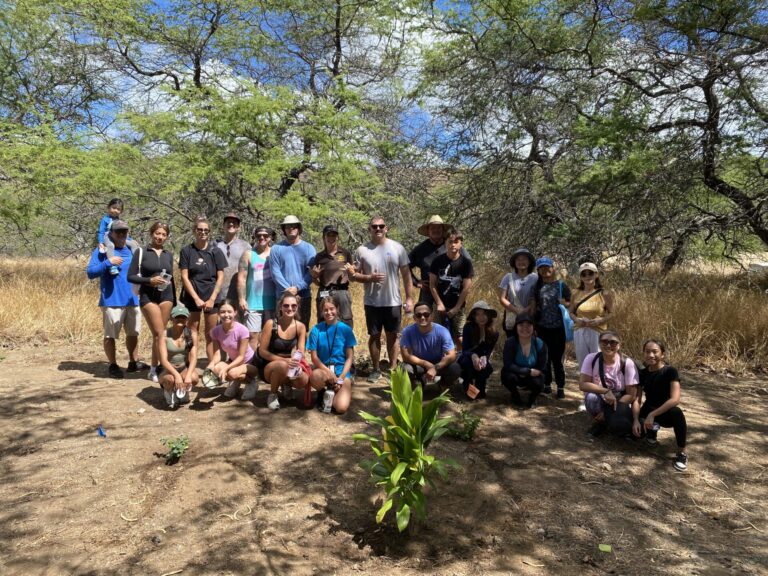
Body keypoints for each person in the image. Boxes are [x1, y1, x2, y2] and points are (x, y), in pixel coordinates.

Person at [353, 216, 414, 382]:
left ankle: (393, 368)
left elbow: (406, 275)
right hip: (372, 302)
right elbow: (353, 276)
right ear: (370, 229)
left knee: (393, 335)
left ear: (386, 228)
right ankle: (376, 369)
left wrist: (409, 298)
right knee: (374, 335)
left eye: (381, 226)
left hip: (393, 301)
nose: (378, 229)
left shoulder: (397, 248)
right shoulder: (362, 250)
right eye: (374, 226)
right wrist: (368, 278)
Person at [86, 219, 148, 378]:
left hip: (133, 299)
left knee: (133, 333)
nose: (121, 235)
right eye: (118, 232)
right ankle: (113, 365)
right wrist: (108, 262)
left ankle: (133, 362)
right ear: (111, 233)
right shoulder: (103, 250)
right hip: (112, 300)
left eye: (124, 232)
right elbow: (91, 272)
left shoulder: (133, 250)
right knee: (110, 335)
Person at [127, 221, 175, 383]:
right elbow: (131, 276)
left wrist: (175, 301)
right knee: (158, 333)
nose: (160, 237)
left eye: (163, 234)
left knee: (162, 334)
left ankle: (161, 365)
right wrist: (149, 280)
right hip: (148, 296)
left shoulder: (169, 254)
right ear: (151, 233)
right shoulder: (141, 252)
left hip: (166, 296)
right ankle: (154, 369)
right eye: (157, 233)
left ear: (167, 237)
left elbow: (172, 279)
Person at [633, 339, 689, 472]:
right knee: (634, 434)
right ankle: (652, 432)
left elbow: (675, 399)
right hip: (648, 410)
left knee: (677, 413)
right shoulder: (643, 373)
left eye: (655, 351)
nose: (651, 355)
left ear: (662, 354)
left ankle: (682, 453)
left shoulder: (670, 371)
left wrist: (653, 415)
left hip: (665, 412)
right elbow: (637, 399)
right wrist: (635, 420)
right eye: (647, 352)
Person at [179, 216, 228, 363]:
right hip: (192, 296)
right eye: (200, 229)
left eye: (206, 230)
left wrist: (212, 298)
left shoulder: (215, 251)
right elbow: (184, 276)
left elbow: (220, 276)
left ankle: (212, 367)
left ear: (209, 232)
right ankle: (190, 363)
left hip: (211, 296)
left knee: (211, 334)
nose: (203, 232)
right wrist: (195, 298)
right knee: (192, 332)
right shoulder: (187, 251)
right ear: (195, 231)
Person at [570, 262, 613, 411]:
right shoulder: (576, 292)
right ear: (580, 277)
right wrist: (577, 320)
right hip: (580, 331)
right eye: (584, 274)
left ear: (596, 274)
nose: (587, 276)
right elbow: (571, 312)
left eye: (590, 273)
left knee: (598, 363)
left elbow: (611, 313)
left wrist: (600, 320)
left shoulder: (604, 293)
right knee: (584, 364)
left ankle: (600, 396)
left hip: (597, 332)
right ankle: (587, 398)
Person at [579, 330, 639, 438]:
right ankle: (600, 423)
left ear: (619, 345)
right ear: (599, 343)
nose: (608, 345)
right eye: (604, 342)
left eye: (613, 342)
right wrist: (605, 391)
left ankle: (606, 418)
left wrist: (608, 412)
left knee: (621, 429)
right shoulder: (592, 358)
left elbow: (631, 395)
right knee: (591, 398)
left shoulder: (627, 363)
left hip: (620, 400)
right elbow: (583, 384)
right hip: (600, 396)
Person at [258, 293, 310, 410]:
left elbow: (301, 350)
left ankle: (286, 384)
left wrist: (297, 363)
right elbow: (262, 352)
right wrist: (285, 360)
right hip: (269, 366)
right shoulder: (271, 324)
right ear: (280, 307)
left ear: (297, 307)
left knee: (304, 379)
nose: (290, 308)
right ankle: (273, 394)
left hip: (289, 363)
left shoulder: (300, 326)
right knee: (281, 365)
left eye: (293, 306)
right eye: (286, 305)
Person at [307, 295, 357, 414]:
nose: (329, 312)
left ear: (337, 309)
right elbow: (314, 357)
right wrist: (329, 373)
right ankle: (323, 391)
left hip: (341, 373)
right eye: (325, 310)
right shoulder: (316, 330)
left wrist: (340, 379)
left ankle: (334, 393)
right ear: (321, 312)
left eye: (332, 309)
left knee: (340, 408)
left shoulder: (346, 329)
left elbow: (350, 357)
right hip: (324, 371)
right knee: (314, 376)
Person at [408, 214, 471, 305]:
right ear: (428, 231)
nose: (436, 230)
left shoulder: (452, 245)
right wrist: (416, 282)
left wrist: (463, 285)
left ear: (443, 230)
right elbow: (405, 265)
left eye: (438, 228)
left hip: (451, 292)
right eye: (432, 228)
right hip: (428, 293)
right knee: (426, 317)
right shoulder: (420, 249)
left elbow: (468, 263)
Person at [532, 256, 571, 399]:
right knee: (545, 358)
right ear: (538, 270)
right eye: (541, 268)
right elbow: (535, 307)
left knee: (557, 359)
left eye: (547, 267)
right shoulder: (537, 287)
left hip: (559, 328)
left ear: (553, 268)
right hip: (543, 327)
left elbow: (571, 305)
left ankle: (560, 387)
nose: (545, 270)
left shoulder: (561, 285)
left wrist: (565, 303)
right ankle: (547, 385)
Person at [399, 302, 461, 390]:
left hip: (439, 363)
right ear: (414, 318)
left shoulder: (442, 331)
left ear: (432, 316)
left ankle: (443, 384)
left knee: (455, 368)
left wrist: (436, 367)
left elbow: (452, 355)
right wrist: (426, 364)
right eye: (419, 315)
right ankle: (419, 382)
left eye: (426, 314)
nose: (423, 317)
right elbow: (406, 356)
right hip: (418, 363)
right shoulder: (407, 331)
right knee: (404, 369)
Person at [206, 300, 259, 400]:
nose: (226, 315)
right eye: (222, 312)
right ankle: (236, 382)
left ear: (235, 312)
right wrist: (210, 367)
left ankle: (252, 382)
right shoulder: (215, 331)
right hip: (234, 363)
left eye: (229, 311)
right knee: (216, 368)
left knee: (231, 373)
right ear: (218, 313)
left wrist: (226, 369)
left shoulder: (242, 330)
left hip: (249, 364)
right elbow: (217, 355)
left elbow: (241, 357)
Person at [429, 229, 474, 345]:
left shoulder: (466, 263)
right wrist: (439, 303)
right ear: (445, 243)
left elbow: (466, 288)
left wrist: (457, 307)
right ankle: (441, 358)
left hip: (458, 305)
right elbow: (432, 284)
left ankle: (459, 360)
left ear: (461, 243)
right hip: (440, 305)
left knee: (459, 335)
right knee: (438, 333)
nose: (452, 244)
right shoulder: (437, 261)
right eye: (450, 241)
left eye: (456, 241)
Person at [269, 215, 316, 324]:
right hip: (282, 297)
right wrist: (289, 291)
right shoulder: (276, 249)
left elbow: (310, 273)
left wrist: (298, 288)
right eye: (287, 226)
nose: (291, 228)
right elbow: (275, 273)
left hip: (303, 297)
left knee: (302, 330)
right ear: (284, 230)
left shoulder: (309, 248)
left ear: (299, 228)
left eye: (294, 226)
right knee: (281, 331)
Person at [238, 225, 276, 352]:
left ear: (270, 237)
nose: (262, 238)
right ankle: (252, 365)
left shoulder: (275, 253)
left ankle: (267, 366)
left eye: (265, 235)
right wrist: (242, 298)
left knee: (270, 336)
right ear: (254, 237)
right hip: (253, 302)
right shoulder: (248, 254)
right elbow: (242, 278)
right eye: (259, 235)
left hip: (272, 303)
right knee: (253, 335)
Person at [310, 224, 355, 327]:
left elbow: (352, 277)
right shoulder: (319, 256)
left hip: (342, 292)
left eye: (334, 235)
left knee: (346, 322)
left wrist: (351, 272)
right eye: (328, 235)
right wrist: (314, 276)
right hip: (325, 291)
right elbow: (316, 281)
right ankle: (325, 343)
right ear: (323, 237)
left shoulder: (345, 253)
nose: (331, 238)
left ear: (337, 237)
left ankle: (347, 343)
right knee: (323, 322)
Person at [500, 313, 547, 408]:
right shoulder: (510, 342)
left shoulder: (539, 343)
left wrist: (534, 372)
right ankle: (515, 395)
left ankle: (532, 399)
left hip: (533, 376)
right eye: (521, 325)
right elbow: (508, 364)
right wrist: (527, 371)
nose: (525, 328)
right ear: (516, 327)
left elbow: (542, 366)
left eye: (528, 325)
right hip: (517, 374)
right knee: (508, 376)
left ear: (533, 327)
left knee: (539, 381)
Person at [157, 304, 199, 409]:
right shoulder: (164, 335)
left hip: (184, 367)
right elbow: (163, 360)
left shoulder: (192, 334)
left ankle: (182, 390)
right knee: (170, 379)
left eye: (183, 317)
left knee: (194, 378)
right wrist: (177, 376)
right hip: (167, 369)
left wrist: (188, 375)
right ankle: (169, 390)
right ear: (171, 318)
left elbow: (193, 357)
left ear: (187, 319)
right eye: (177, 317)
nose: (180, 319)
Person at [458, 300, 499, 399]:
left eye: (484, 314)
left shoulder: (494, 332)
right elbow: (465, 350)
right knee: (469, 366)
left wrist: (484, 358)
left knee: (486, 368)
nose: (481, 318)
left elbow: (488, 351)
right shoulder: (468, 327)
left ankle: (479, 388)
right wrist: (473, 355)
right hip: (467, 357)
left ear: (489, 315)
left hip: (482, 358)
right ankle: (469, 389)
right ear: (473, 317)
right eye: (477, 314)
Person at [498, 247, 538, 337]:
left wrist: (526, 310)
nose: (521, 262)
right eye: (518, 260)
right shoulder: (508, 277)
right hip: (512, 316)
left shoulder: (535, 278)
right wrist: (516, 310)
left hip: (530, 316)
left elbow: (537, 298)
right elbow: (502, 298)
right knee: (512, 343)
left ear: (529, 261)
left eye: (524, 259)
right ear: (514, 262)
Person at [214, 212, 251, 306]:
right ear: (223, 226)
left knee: (238, 320)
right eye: (228, 222)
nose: (231, 224)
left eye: (234, 222)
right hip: (218, 294)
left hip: (239, 295)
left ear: (238, 227)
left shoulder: (245, 246)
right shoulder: (215, 245)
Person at [96, 198, 139, 273]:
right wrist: (101, 242)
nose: (115, 210)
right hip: (108, 236)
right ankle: (113, 266)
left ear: (121, 211)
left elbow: (123, 233)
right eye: (114, 208)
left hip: (118, 237)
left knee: (133, 244)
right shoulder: (105, 219)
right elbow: (101, 232)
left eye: (118, 209)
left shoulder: (119, 221)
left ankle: (138, 262)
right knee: (110, 246)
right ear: (109, 207)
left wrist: (130, 239)